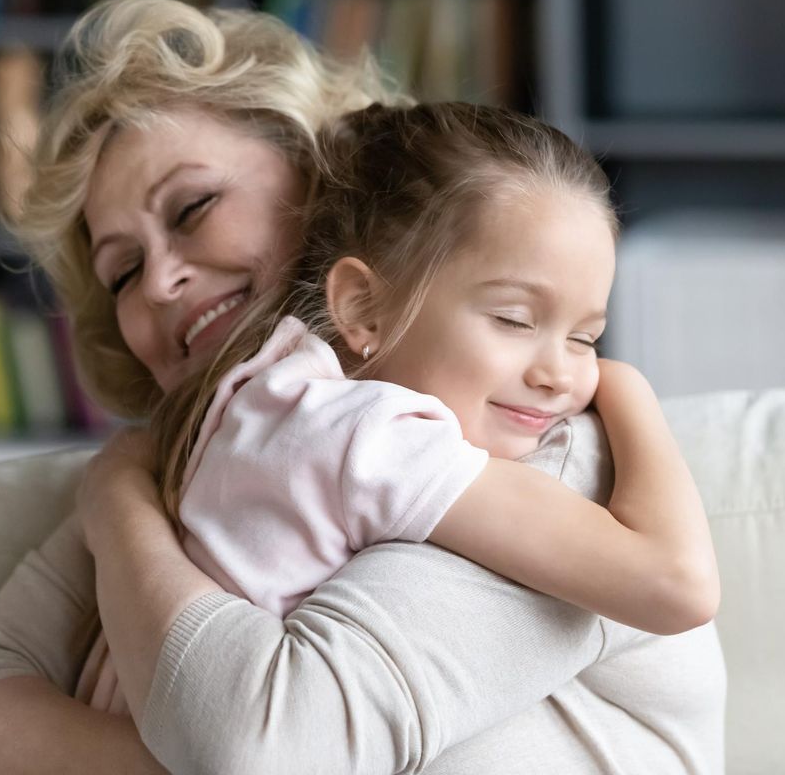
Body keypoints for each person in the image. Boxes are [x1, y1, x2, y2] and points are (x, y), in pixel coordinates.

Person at [0, 0, 727, 775]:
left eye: (193, 208)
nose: (161, 282)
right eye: (123, 270)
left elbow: (264, 745)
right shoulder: (196, 455)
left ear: (315, 178)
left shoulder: (536, 434)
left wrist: (115, 511)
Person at [78, 100, 719, 713]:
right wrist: (628, 385)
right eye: (513, 318)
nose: (561, 376)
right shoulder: (363, 437)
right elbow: (678, 586)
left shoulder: (272, 392)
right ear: (361, 307)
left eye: (586, 338)